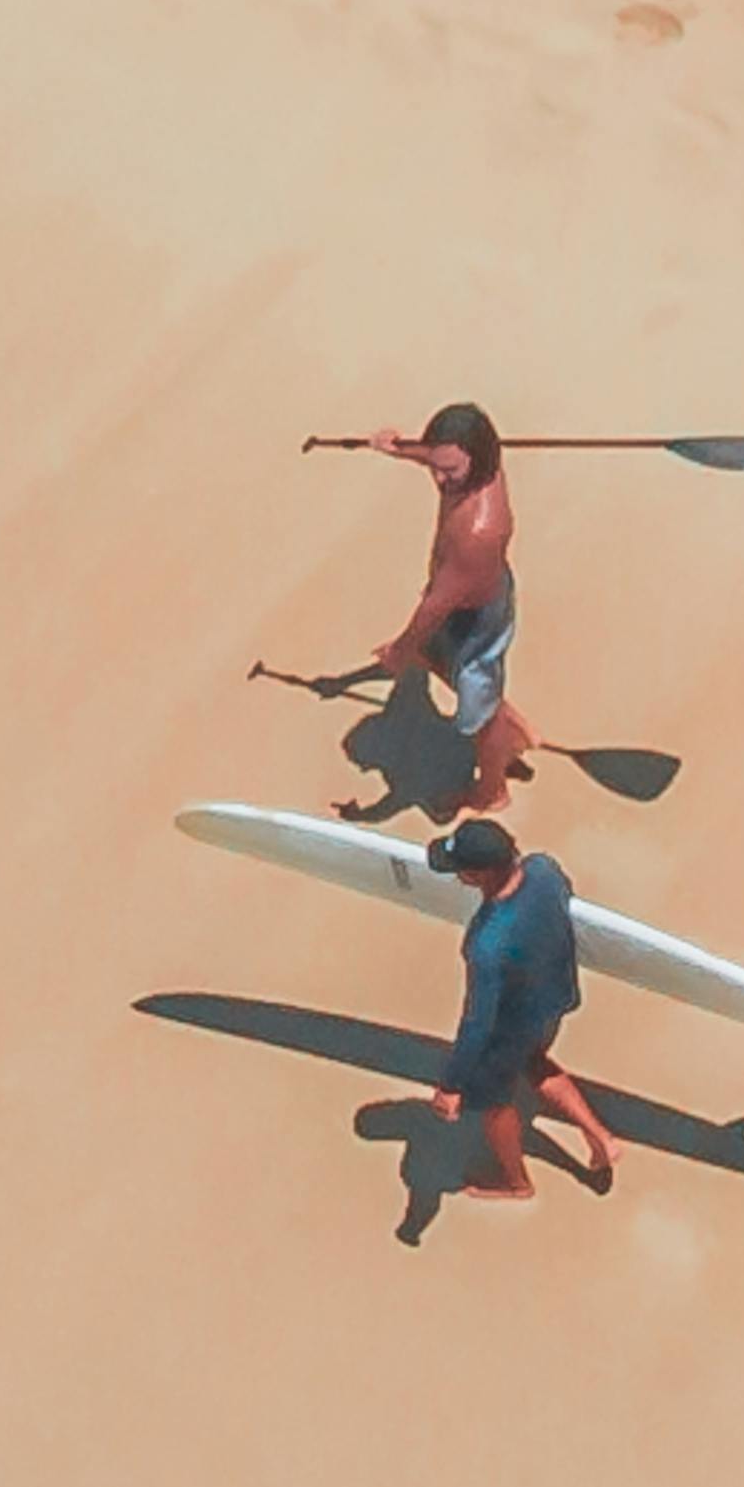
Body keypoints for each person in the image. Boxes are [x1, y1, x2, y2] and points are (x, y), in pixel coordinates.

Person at [303, 400, 527, 799]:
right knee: (435, 660)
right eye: (436, 466)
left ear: (475, 459)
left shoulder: (477, 531)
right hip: (461, 599)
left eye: (449, 471)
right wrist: (400, 449)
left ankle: (493, 790)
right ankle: (515, 724)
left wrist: (399, 650)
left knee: (479, 720)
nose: (440, 479)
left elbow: (436, 605)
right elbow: (441, 454)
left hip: (476, 624)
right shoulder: (472, 465)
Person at [436, 812, 612, 1196]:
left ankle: (515, 1183)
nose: (456, 876)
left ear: (479, 874)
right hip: (556, 999)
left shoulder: (486, 942)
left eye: (459, 870)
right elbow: (564, 892)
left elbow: (477, 1022)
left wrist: (451, 1084)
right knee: (534, 1062)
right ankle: (601, 1137)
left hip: (511, 1024)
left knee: (492, 1102)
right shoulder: (543, 870)